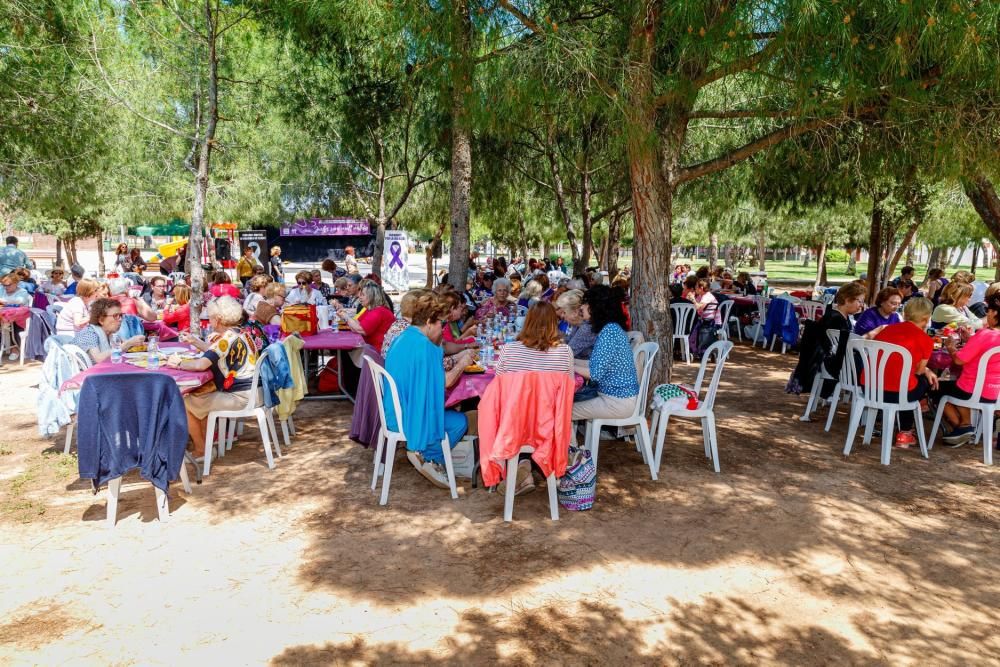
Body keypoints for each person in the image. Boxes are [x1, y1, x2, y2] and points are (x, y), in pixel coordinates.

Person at [383, 291, 473, 489]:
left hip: (393, 412)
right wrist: (463, 363)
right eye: (441, 324)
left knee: (452, 414)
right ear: (430, 322)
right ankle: (430, 457)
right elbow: (447, 382)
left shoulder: (403, 336)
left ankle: (433, 459)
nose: (442, 330)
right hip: (409, 418)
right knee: (460, 422)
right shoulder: (426, 347)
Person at [166, 297, 259, 460]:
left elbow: (201, 365)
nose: (208, 320)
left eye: (210, 317)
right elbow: (216, 352)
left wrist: (178, 362)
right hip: (255, 392)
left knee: (184, 401)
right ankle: (205, 445)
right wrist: (196, 342)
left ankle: (202, 450)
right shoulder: (240, 333)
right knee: (199, 398)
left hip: (241, 398)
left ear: (218, 319)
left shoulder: (224, 339)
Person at [870, 297, 938, 447]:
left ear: (905, 315)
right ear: (926, 319)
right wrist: (927, 370)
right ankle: (905, 431)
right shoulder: (925, 339)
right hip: (897, 393)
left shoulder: (887, 329)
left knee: (907, 383)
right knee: (923, 381)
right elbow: (919, 371)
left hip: (871, 388)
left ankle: (918, 407)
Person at [935, 294, 1000, 445]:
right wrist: (970, 340)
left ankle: (963, 426)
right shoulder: (987, 336)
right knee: (951, 387)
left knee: (936, 387)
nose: (987, 315)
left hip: (971, 391)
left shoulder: (985, 334)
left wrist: (951, 348)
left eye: (989, 311)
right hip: (995, 393)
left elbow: (958, 360)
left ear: (995, 313)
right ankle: (965, 428)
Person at [572, 285, 639, 424]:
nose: (581, 307)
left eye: (585, 303)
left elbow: (594, 373)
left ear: (595, 307)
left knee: (563, 411)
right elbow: (596, 365)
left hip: (616, 402)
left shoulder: (609, 332)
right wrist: (571, 360)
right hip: (616, 398)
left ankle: (571, 446)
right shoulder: (611, 329)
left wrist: (570, 366)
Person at [71, 298, 145, 364]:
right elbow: (98, 359)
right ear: (101, 320)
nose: (120, 319)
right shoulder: (89, 333)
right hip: (82, 377)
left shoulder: (110, 335)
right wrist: (127, 344)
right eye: (115, 316)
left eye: (121, 315)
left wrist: (131, 343)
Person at [335, 280, 395, 350]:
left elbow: (361, 329)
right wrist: (345, 316)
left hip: (377, 353)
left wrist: (346, 317)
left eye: (363, 295)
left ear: (371, 296)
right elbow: (356, 323)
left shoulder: (379, 311)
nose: (359, 297)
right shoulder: (369, 309)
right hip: (370, 349)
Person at [555, 289, 598, 359]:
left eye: (564, 312)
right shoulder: (578, 325)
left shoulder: (586, 328)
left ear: (575, 312)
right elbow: (566, 341)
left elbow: (566, 354)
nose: (562, 315)